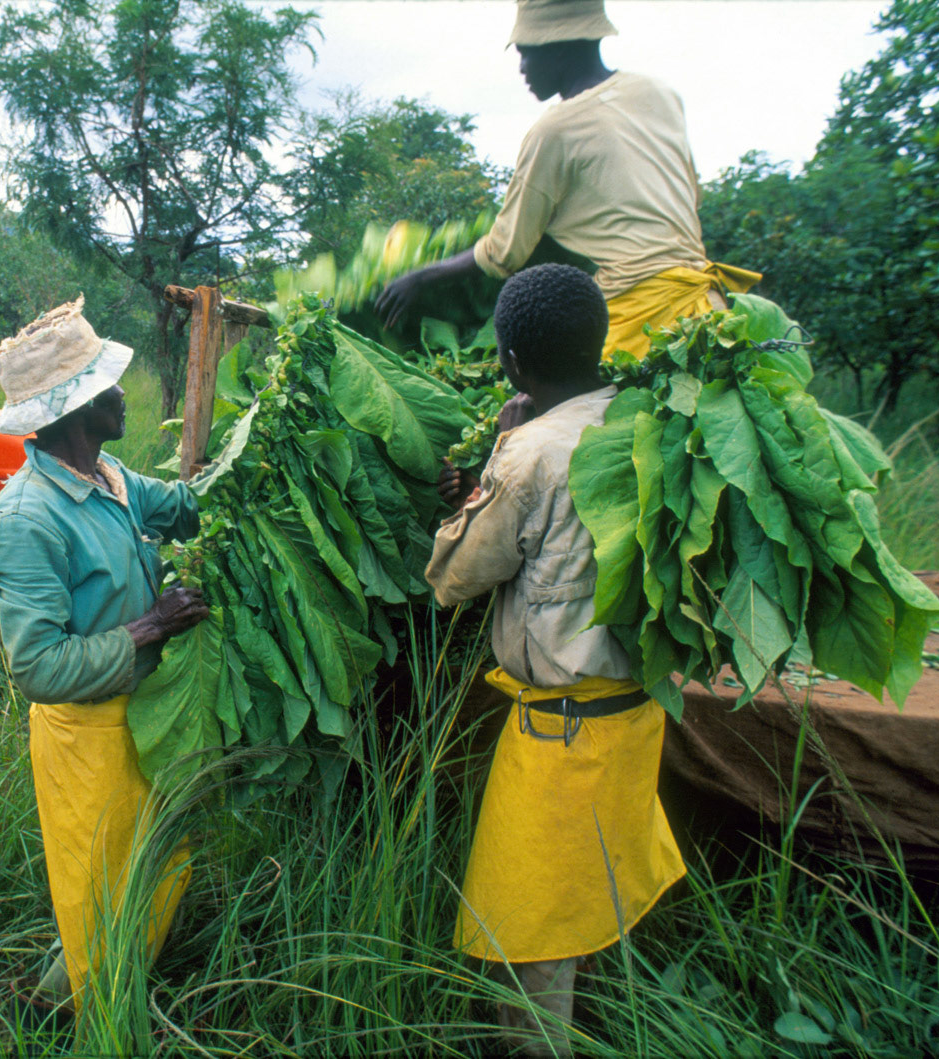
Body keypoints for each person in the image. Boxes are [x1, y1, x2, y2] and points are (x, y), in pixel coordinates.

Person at [425, 265, 684, 1058]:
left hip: (559, 734)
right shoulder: (652, 418)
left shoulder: (530, 451)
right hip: (634, 712)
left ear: (510, 362)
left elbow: (455, 579)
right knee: (589, 893)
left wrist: (481, 479)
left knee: (527, 928)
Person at [0, 297, 209, 1015]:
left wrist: (256, 464)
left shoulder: (109, 477)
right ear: (76, 409)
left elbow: (181, 505)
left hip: (143, 718)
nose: (122, 397)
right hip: (87, 736)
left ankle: (87, 990)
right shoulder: (26, 518)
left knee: (150, 869)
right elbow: (38, 667)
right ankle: (73, 1016)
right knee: (98, 887)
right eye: (109, 387)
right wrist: (151, 626)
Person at [376, 0, 759, 368]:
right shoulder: (659, 94)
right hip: (707, 307)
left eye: (526, 53)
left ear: (558, 49)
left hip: (639, 324)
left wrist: (420, 278)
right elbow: (689, 196)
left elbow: (504, 252)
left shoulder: (554, 130)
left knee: (557, 427)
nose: (522, 68)